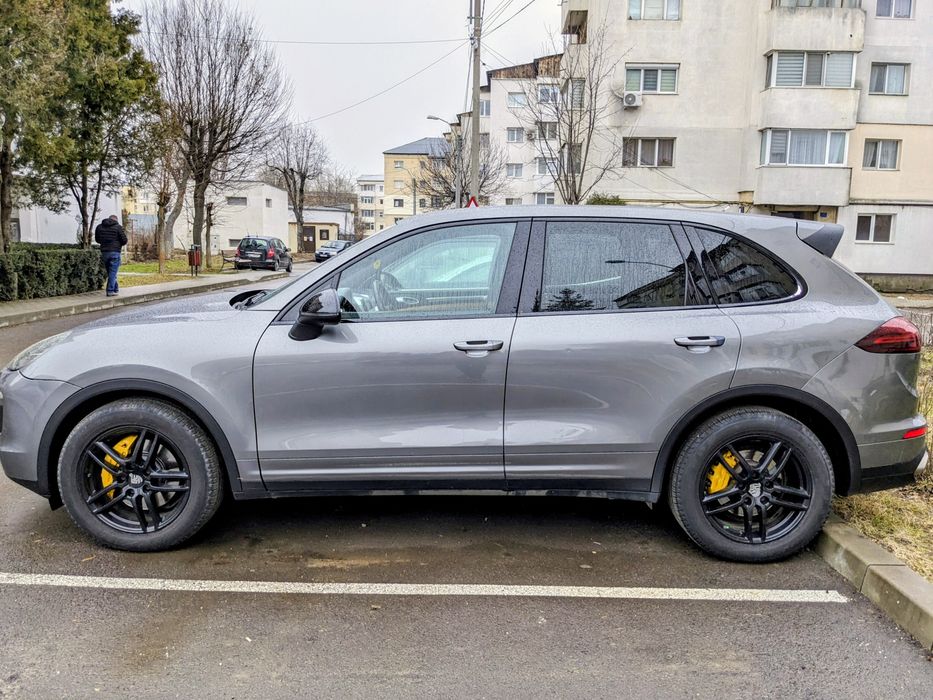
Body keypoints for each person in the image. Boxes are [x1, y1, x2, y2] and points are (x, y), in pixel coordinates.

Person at [94, 214, 127, 297]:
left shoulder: (99, 227)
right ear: (116, 220)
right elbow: (124, 240)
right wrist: (118, 244)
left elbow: (97, 239)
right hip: (115, 252)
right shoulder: (118, 227)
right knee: (112, 272)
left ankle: (116, 289)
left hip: (104, 252)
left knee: (111, 272)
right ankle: (110, 290)